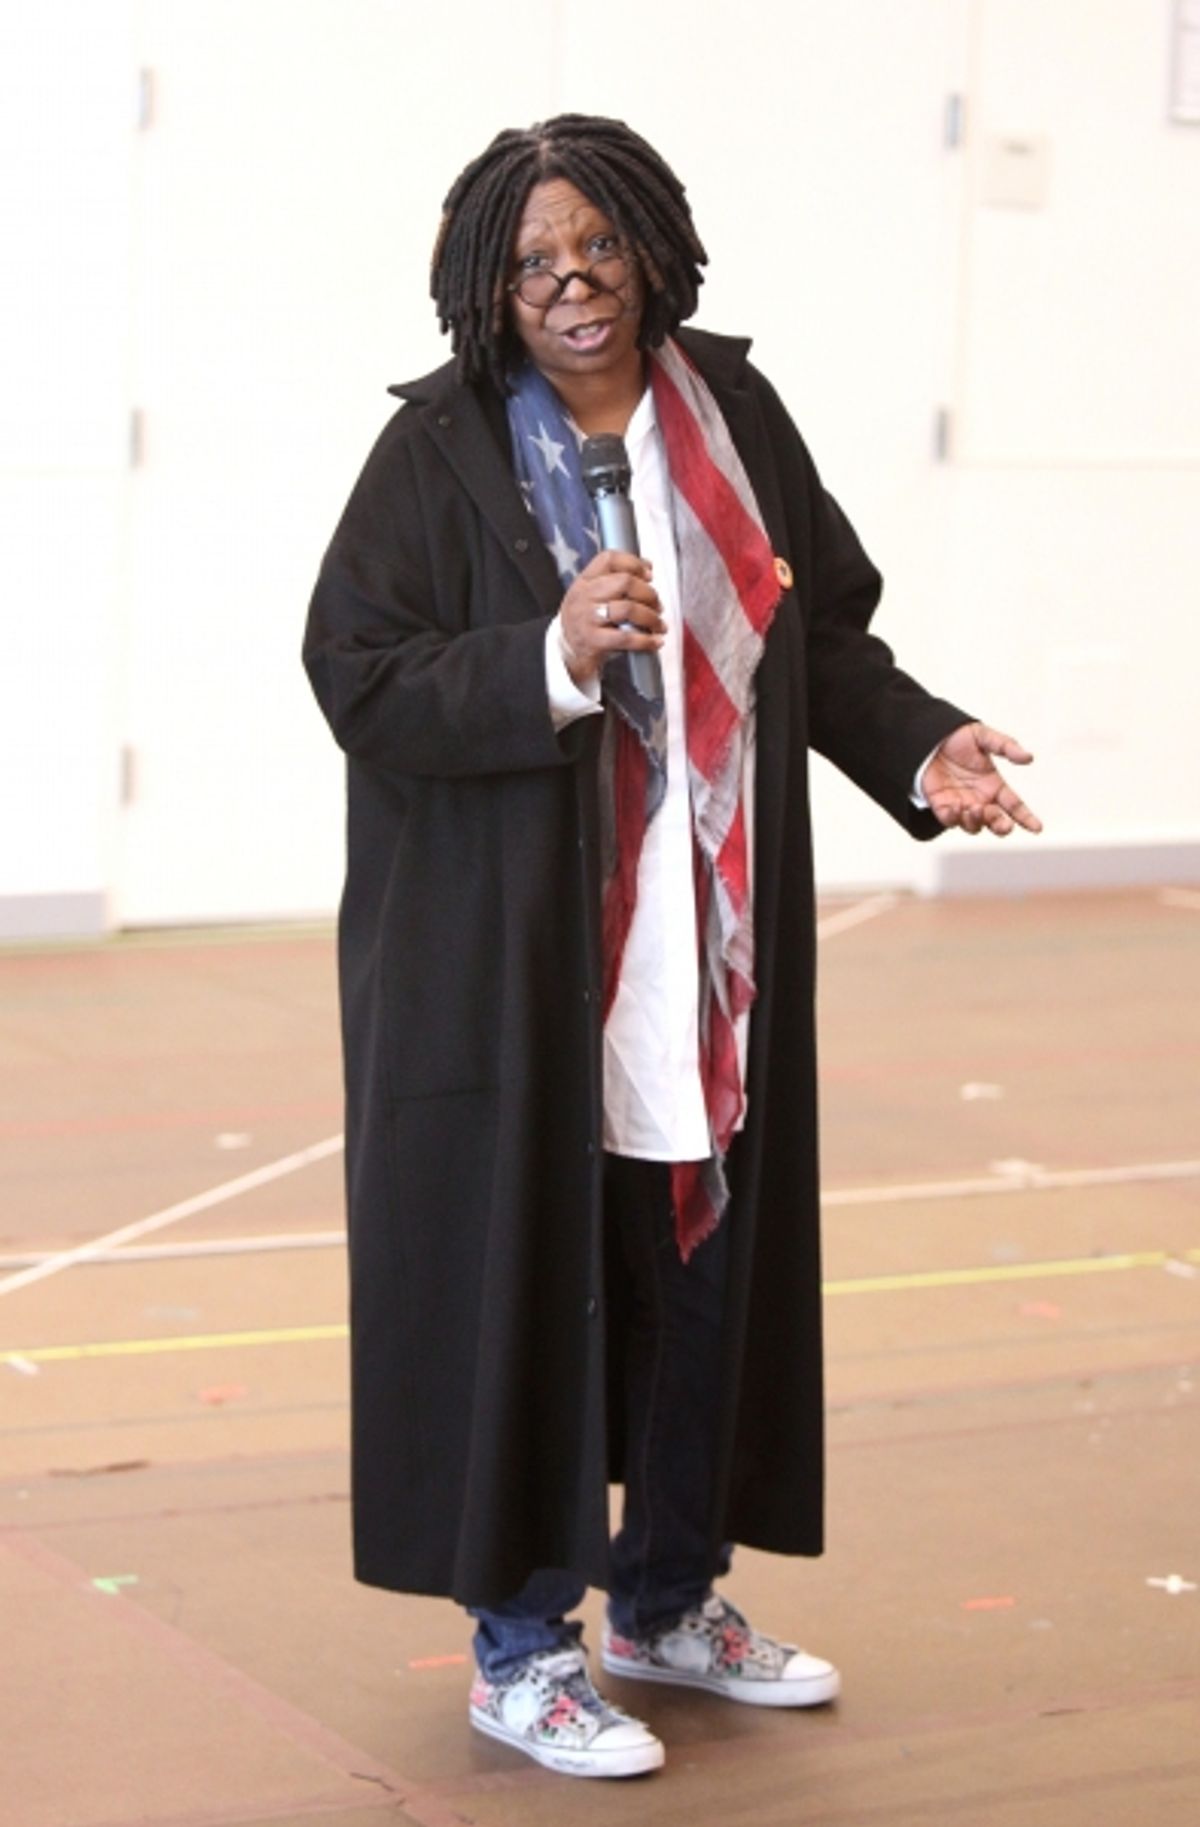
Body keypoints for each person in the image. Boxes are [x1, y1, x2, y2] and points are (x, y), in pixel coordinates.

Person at [303, 113, 1041, 1781]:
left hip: (707, 932)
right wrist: (549, 656)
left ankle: (669, 1599)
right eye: (533, 266)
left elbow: (816, 629)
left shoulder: (732, 414)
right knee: (533, 1278)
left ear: (652, 248)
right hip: (514, 949)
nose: (570, 289)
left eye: (598, 253)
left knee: (697, 1267)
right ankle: (518, 1647)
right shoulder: (440, 455)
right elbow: (356, 672)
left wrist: (921, 748)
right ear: (488, 289)